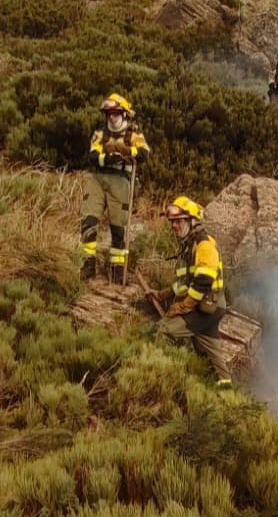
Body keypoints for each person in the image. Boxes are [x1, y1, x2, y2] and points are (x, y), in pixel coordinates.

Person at [149, 196, 234, 387]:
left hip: (204, 308)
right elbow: (186, 283)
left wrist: (183, 306)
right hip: (210, 308)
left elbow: (203, 283)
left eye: (178, 221)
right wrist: (162, 294)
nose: (174, 226)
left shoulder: (204, 245)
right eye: (172, 222)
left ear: (192, 221)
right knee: (211, 357)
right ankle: (227, 391)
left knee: (164, 331)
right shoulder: (190, 246)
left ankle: (160, 380)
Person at [81, 93, 149, 282]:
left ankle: (117, 270)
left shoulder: (134, 135)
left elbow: (144, 153)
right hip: (98, 179)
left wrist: (124, 151)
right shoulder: (100, 134)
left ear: (125, 115)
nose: (112, 116)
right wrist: (115, 156)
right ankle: (87, 265)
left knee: (118, 229)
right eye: (109, 113)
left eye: (116, 113)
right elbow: (93, 156)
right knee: (89, 223)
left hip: (121, 181)